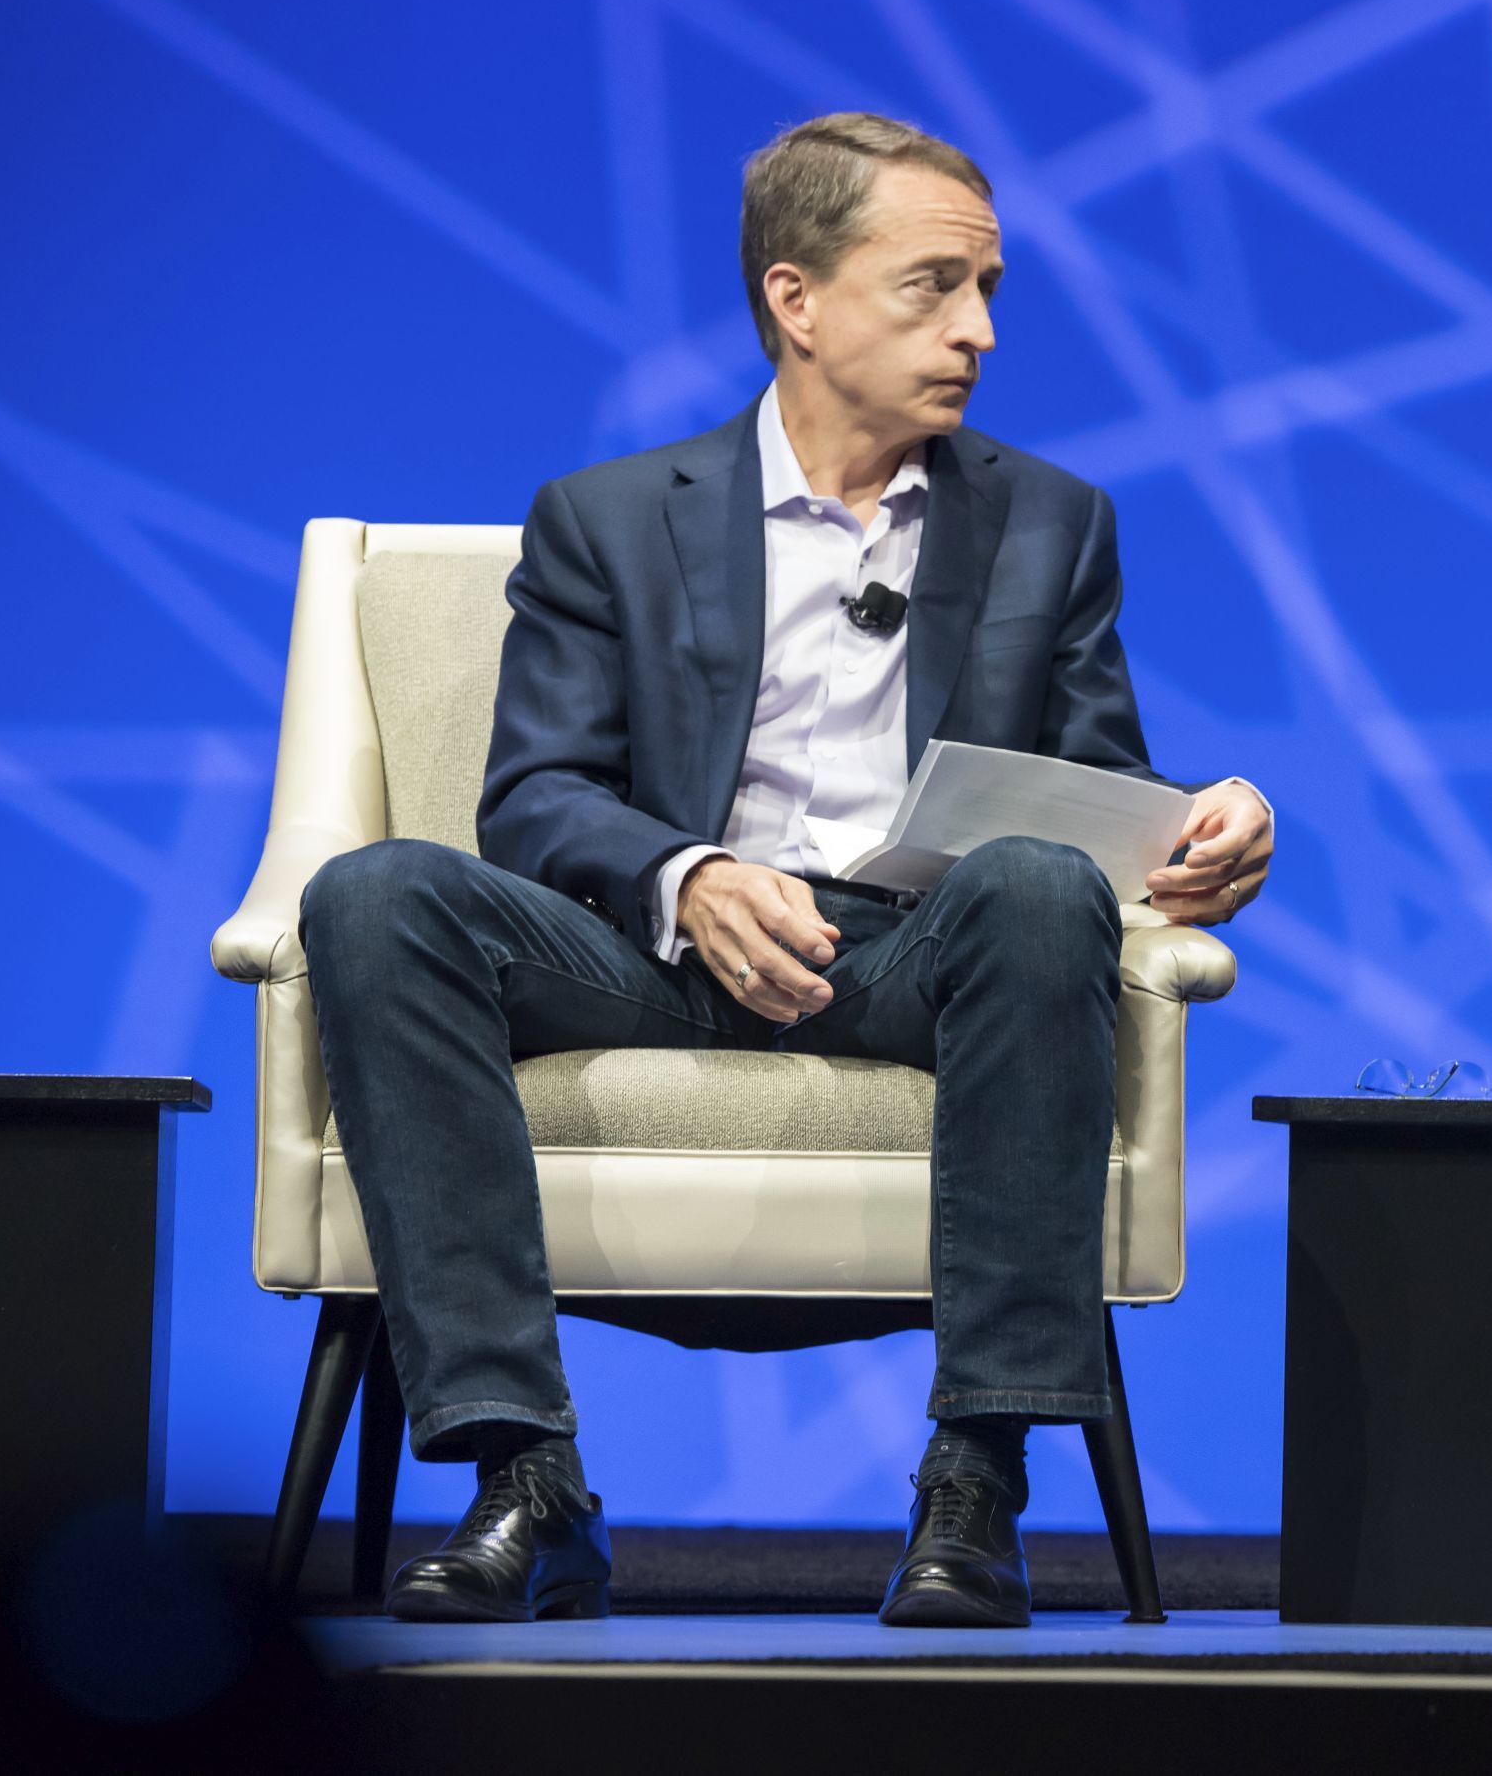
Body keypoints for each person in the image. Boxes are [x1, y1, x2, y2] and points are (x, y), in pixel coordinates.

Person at [298, 112, 1274, 1627]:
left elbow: (1095, 787)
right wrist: (688, 876)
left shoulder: (1049, 522)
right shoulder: (609, 518)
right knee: (374, 897)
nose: (981, 331)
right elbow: (535, 798)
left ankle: (977, 1482)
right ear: (796, 299)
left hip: (907, 958)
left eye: (989, 288)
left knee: (1038, 884)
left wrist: (1210, 816)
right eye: (935, 285)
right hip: (652, 959)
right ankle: (524, 1478)